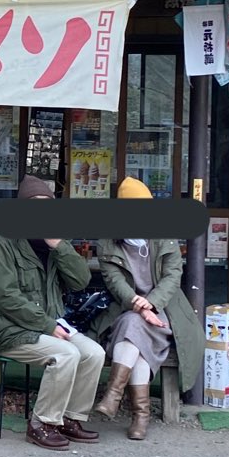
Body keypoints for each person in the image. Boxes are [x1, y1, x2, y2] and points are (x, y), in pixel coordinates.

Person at [0, 175, 106, 450]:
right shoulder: (3, 245)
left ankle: (69, 419)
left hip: (48, 325)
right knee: (66, 354)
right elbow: (6, 297)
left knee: (94, 353)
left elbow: (81, 280)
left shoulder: (55, 244)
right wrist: (48, 326)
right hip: (9, 330)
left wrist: (59, 246)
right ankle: (41, 424)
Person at [92, 176, 206, 440]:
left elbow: (172, 276)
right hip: (125, 310)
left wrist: (152, 303)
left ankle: (114, 395)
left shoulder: (164, 236)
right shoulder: (108, 242)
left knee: (135, 329)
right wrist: (140, 307)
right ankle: (139, 417)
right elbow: (115, 283)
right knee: (133, 325)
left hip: (166, 313)